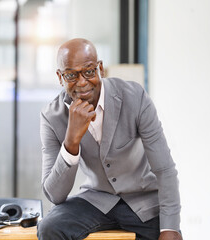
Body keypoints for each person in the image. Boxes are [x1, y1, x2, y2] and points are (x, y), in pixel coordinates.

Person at [37, 38, 182, 240]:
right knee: (49, 227)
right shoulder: (51, 116)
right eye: (71, 75)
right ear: (60, 78)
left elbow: (164, 169)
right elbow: (55, 195)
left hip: (143, 200)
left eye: (88, 71)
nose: (81, 82)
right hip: (96, 200)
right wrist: (71, 142)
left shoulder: (135, 97)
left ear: (100, 68)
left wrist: (170, 229)